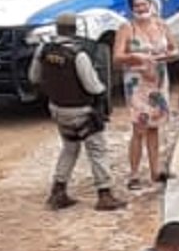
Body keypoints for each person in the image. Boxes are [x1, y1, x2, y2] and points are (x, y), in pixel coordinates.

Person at [29, 12, 125, 211]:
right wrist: (103, 95)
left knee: (69, 147)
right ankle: (104, 193)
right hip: (82, 110)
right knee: (97, 150)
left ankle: (58, 190)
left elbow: (34, 77)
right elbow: (92, 86)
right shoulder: (78, 54)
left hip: (57, 108)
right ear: (75, 29)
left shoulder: (44, 50)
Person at [114, 0, 175, 191]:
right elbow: (117, 57)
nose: (141, 9)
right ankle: (133, 174)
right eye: (137, 6)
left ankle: (155, 170)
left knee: (154, 127)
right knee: (139, 128)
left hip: (158, 81)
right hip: (137, 83)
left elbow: (173, 48)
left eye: (144, 4)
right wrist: (137, 58)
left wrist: (165, 55)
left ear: (151, 4)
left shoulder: (161, 25)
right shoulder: (126, 28)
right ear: (132, 9)